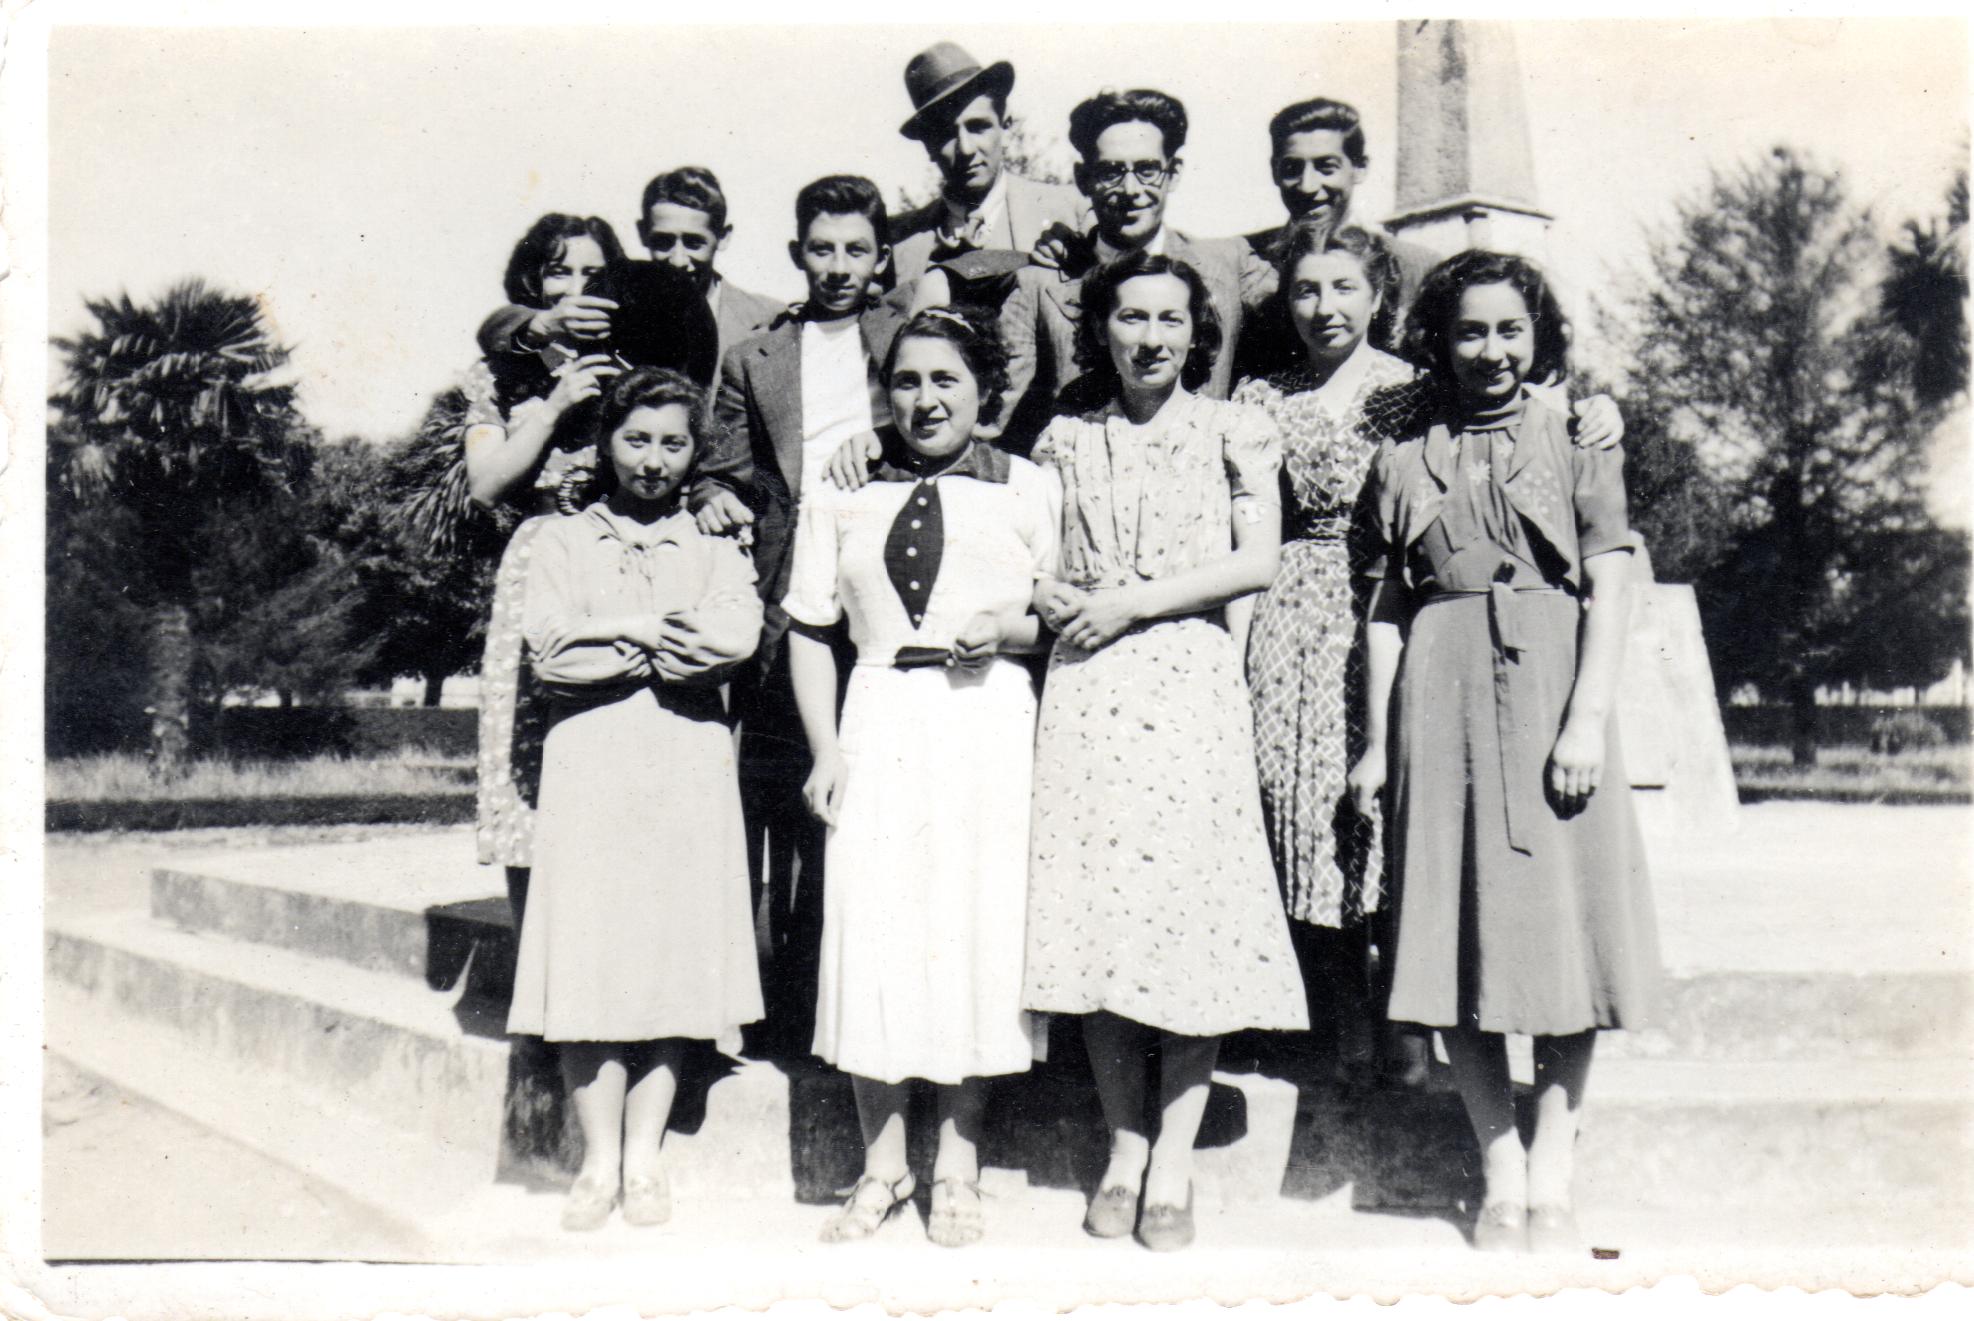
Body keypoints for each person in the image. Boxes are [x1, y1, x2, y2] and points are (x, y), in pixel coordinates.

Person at [1348, 250, 1661, 1255]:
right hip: (1436, 707)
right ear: (1439, 341)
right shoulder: (1403, 458)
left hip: (1550, 694)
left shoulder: (1579, 437)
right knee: (1456, 937)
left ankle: (1557, 1155)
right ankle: (1502, 1164)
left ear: (1539, 337)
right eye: (1471, 331)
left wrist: (1586, 720)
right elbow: (1388, 611)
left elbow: (1610, 585)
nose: (1491, 350)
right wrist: (1374, 747)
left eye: (1510, 330)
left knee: (1567, 935)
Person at [1023, 251, 1308, 1253]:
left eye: (1170, 319)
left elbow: (1258, 560)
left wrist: (1130, 602)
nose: (1149, 336)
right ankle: (1125, 1146)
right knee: (1103, 917)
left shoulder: (1233, 431)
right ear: (1102, 327)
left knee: (1188, 923)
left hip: (1186, 682)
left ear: (1197, 332)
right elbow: (1038, 561)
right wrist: (1052, 595)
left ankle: (1176, 1157)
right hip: (1090, 690)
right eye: (1131, 317)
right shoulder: (1063, 438)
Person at [783, 307, 1058, 1247]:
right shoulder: (842, 489)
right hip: (877, 718)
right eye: (906, 380)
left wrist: (1013, 631)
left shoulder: (1028, 487)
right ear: (882, 393)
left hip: (986, 722)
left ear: (985, 394)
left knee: (973, 930)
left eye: (946, 379)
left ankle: (959, 1165)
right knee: (875, 931)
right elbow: (812, 630)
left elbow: (1058, 613)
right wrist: (826, 749)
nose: (926, 398)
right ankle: (883, 1164)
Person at [506, 366, 766, 1231]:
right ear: (607, 441)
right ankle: (597, 1158)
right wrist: (651, 634)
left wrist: (612, 638)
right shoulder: (561, 542)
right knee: (589, 954)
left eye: (673, 442)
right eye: (637, 439)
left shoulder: (715, 543)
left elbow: (733, 634)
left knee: (669, 955)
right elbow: (550, 652)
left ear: (694, 452)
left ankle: (645, 1154)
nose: (654, 459)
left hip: (685, 767)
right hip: (591, 768)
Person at [692, 174, 908, 1056]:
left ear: (882, 256)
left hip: (888, 593)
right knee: (784, 801)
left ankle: (856, 1003)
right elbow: (721, 467)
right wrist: (711, 496)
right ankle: (776, 1002)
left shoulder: (907, 340)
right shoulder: (756, 355)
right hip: (790, 600)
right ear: (795, 254)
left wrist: (885, 437)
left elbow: (959, 408)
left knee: (872, 803)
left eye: (857, 248)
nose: (839, 266)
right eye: (822, 248)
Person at [1231, 221, 1432, 1068]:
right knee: (1298, 803)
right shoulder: (1259, 396)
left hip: (1388, 602)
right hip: (1287, 610)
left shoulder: (1417, 390)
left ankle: (1406, 1023)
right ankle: (1328, 1016)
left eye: (1344, 287)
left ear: (1380, 295)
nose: (1324, 307)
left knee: (1382, 800)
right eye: (1306, 290)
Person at [462, 213, 638, 919]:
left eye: (592, 276)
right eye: (559, 272)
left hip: (622, 560)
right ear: (533, 282)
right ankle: (534, 994)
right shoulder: (501, 371)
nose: (575, 290)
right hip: (540, 564)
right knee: (527, 767)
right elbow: (486, 480)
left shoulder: (631, 361)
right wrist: (557, 403)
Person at [996, 88, 1247, 452]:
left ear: (1173, 173)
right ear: (1083, 179)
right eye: (1111, 172)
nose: (1131, 190)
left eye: (1147, 170)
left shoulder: (1228, 269)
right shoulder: (1039, 285)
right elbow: (1000, 426)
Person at [887, 41, 1088, 289]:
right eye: (946, 134)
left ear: (1005, 126)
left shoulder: (1070, 210)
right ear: (928, 145)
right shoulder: (898, 241)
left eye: (978, 127)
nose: (966, 149)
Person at [637, 166, 787, 365]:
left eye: (694, 243)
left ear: (723, 237)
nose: (678, 261)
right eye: (664, 242)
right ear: (642, 234)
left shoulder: (771, 319)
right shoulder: (615, 317)